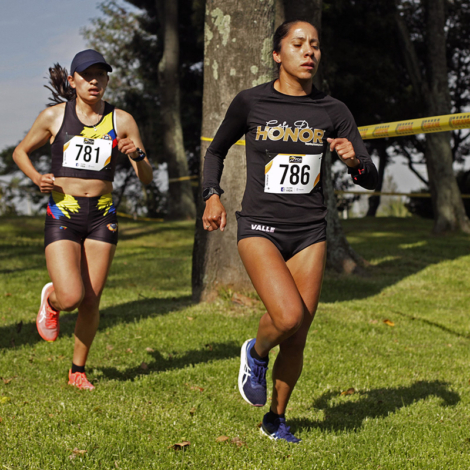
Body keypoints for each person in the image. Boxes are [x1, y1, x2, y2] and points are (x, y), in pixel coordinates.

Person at [202, 21, 378, 442]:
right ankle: (255, 352)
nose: (308, 52)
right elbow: (216, 150)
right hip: (260, 226)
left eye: (315, 45)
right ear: (277, 54)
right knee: (287, 316)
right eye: (298, 44)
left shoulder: (333, 111)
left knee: (298, 336)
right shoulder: (250, 102)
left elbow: (369, 177)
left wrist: (354, 161)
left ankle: (275, 419)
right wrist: (211, 194)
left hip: (309, 232)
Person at [13, 49, 153, 390]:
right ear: (73, 80)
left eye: (101, 75)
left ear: (106, 80)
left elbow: (145, 177)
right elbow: (20, 152)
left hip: (102, 215)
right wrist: (36, 178)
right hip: (64, 211)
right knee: (72, 297)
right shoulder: (53, 117)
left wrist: (137, 154)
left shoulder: (121, 120)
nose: (94, 81)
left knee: (92, 299)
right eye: (87, 76)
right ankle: (52, 300)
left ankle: (78, 370)